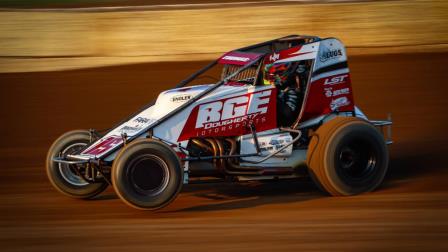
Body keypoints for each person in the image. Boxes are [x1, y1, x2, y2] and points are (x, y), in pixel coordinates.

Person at [264, 61, 307, 126]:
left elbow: (288, 113)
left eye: (278, 73)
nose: (275, 77)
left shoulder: (292, 89)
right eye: (272, 75)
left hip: (289, 127)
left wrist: (274, 100)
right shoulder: (276, 88)